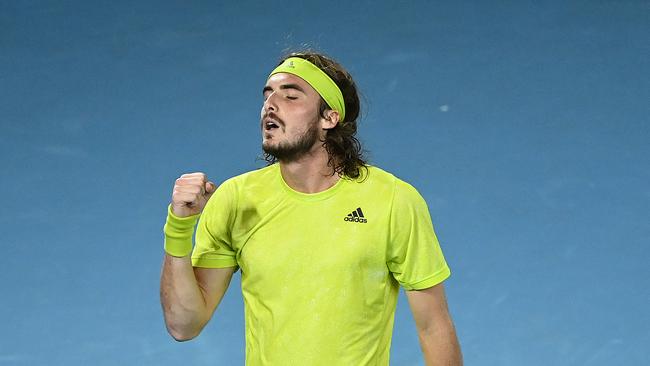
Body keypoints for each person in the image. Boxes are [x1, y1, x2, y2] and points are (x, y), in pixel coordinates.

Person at [160, 51, 462, 365]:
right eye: (268, 96)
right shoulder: (236, 199)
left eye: (290, 96)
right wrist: (180, 226)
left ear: (329, 118)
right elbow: (184, 325)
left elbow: (434, 326)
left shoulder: (394, 201)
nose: (270, 105)